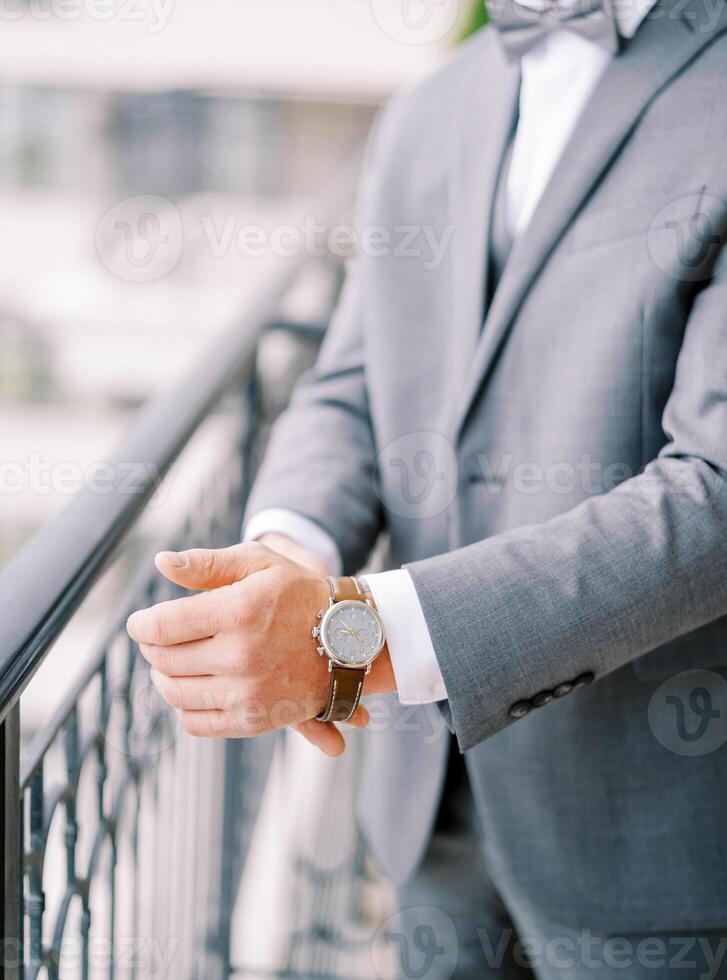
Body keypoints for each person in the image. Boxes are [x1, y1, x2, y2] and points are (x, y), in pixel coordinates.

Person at [127, 0, 727, 975]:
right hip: (423, 801)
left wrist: (345, 641)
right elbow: (354, 385)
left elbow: (714, 495)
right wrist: (288, 557)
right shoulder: (427, 108)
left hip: (657, 832)